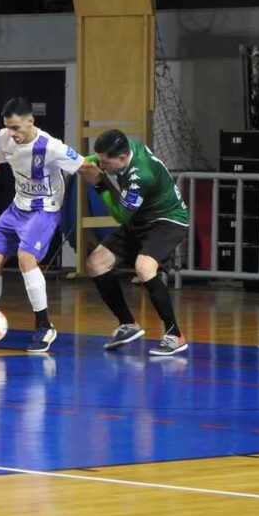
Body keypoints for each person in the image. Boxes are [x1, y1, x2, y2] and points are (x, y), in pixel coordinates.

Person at [0, 97, 84, 353]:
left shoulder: (51, 147)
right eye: (8, 127)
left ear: (31, 121)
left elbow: (85, 166)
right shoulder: (4, 138)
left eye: (17, 128)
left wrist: (111, 193)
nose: (12, 133)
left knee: (26, 258)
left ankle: (44, 326)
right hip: (17, 208)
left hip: (44, 210)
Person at [80, 129, 190, 356]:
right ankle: (128, 324)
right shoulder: (126, 145)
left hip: (168, 220)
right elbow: (95, 161)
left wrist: (100, 183)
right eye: (99, 161)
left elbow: (121, 216)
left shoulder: (141, 177)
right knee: (95, 263)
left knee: (144, 266)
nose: (102, 166)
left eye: (105, 163)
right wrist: (79, 162)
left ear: (122, 158)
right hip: (142, 218)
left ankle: (174, 334)